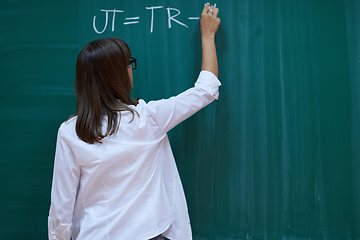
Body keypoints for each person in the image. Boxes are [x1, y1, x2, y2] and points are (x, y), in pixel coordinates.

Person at [48, 3, 221, 240]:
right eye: (128, 64)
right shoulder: (148, 117)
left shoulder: (71, 131)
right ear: (117, 75)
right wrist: (208, 35)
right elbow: (206, 90)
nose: (131, 69)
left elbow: (61, 207)